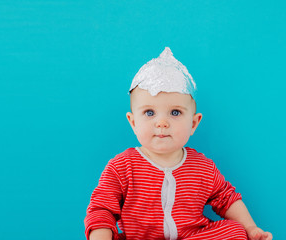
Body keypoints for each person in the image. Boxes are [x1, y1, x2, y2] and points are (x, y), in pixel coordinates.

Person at [84, 47, 272, 240]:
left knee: (234, 231)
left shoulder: (202, 167)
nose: (162, 123)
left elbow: (227, 198)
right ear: (133, 122)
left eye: (175, 112)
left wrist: (250, 228)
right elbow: (101, 210)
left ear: (193, 123)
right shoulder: (121, 167)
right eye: (149, 113)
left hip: (191, 237)